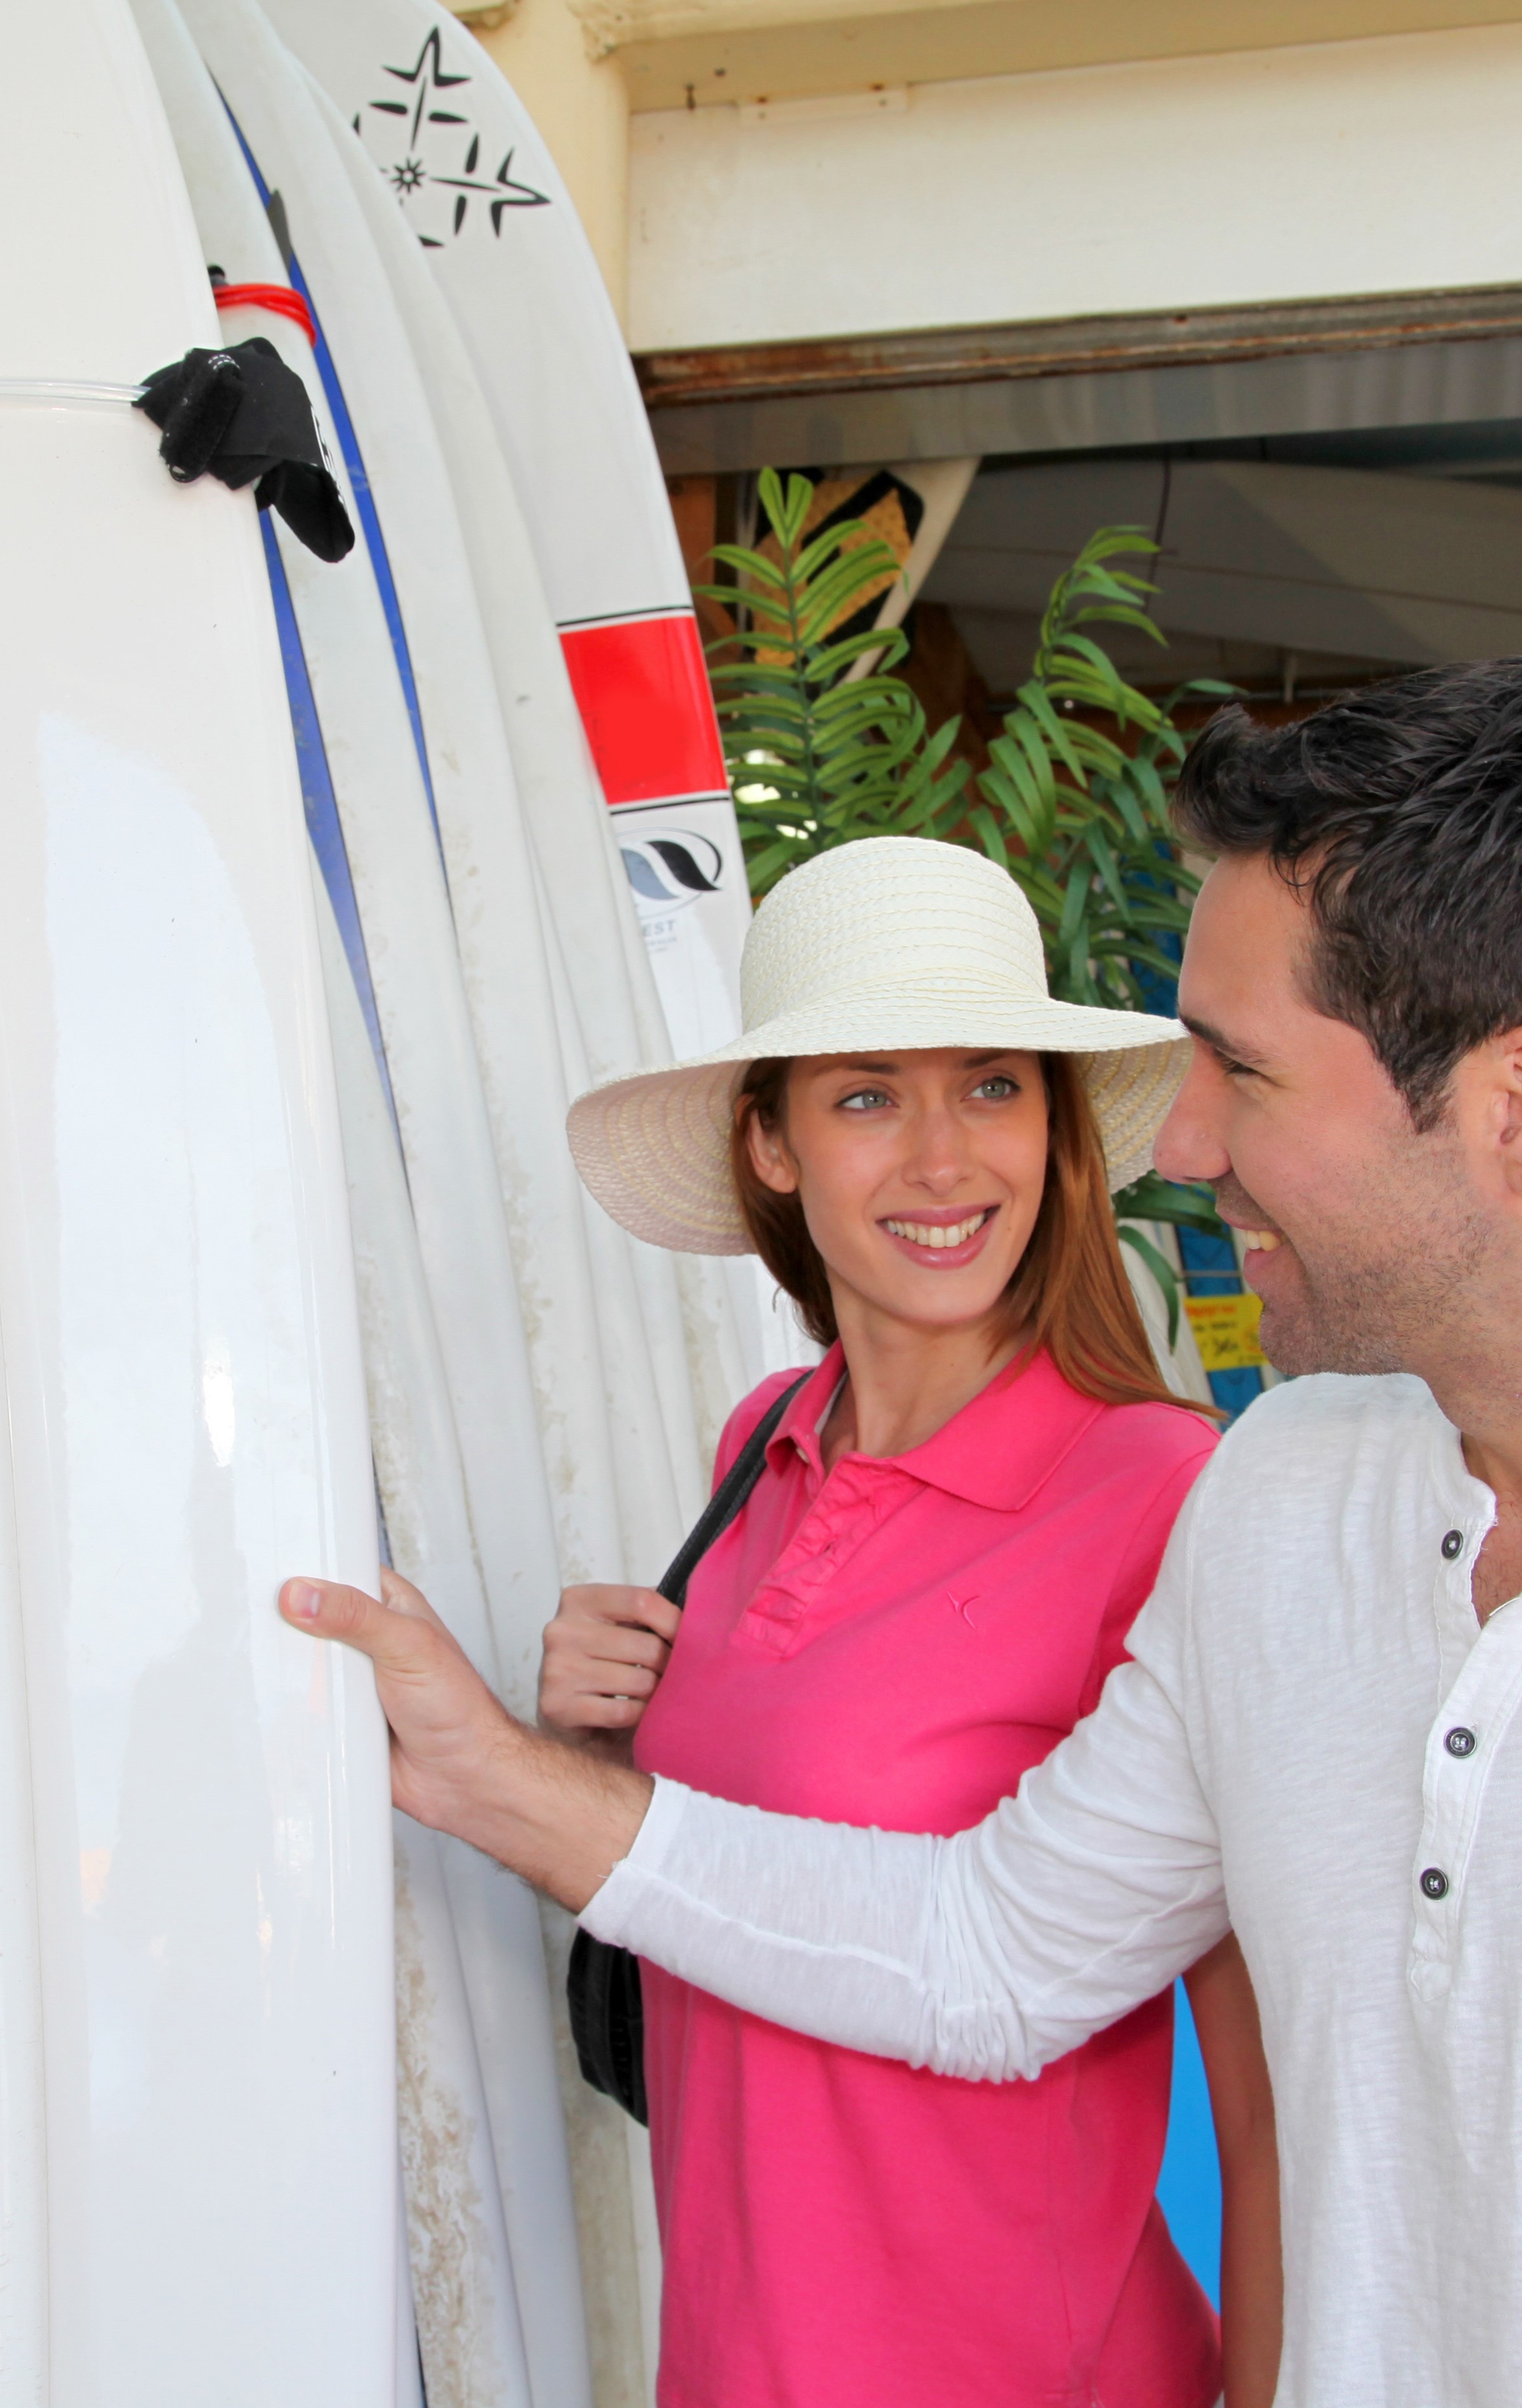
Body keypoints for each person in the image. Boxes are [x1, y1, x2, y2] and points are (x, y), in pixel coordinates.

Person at [283, 658, 1522, 2404]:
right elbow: (992, 1953)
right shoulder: (1297, 1496)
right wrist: (493, 1777)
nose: (1181, 1146)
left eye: (1239, 1071)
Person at [540, 835, 1280, 2408]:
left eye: (993, 1086)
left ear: (1055, 1128)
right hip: (730, 2364)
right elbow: (719, 1872)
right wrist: (596, 1749)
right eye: (869, 1096)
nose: (945, 1161)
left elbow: (1268, 2070)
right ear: (774, 1146)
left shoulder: (1163, 1492)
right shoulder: (760, 1439)